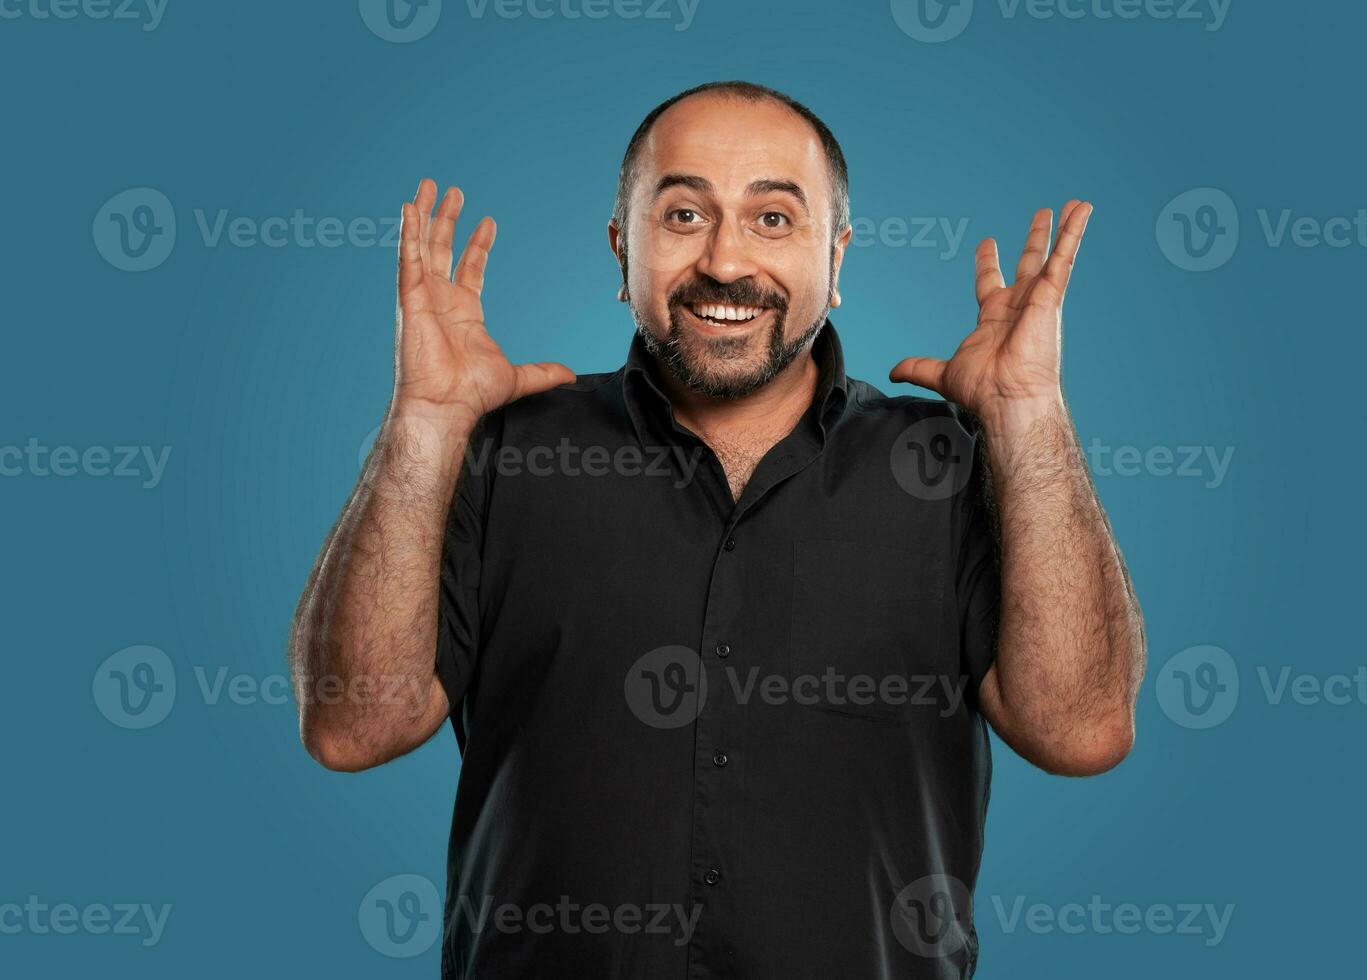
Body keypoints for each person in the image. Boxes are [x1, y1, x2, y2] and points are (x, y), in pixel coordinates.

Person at [288, 80, 1146, 979]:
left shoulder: (949, 466)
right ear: (622, 249)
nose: (727, 261)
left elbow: (1080, 733)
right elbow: (354, 731)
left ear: (838, 258)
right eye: (684, 214)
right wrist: (424, 420)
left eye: (774, 218)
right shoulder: (502, 453)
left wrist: (1030, 417)